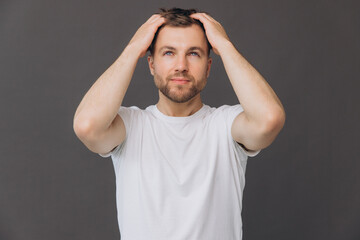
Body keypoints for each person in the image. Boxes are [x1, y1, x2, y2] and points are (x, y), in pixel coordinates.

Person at [73, 7, 285, 240]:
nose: (181, 65)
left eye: (193, 53)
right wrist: (133, 49)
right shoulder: (131, 126)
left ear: (208, 66)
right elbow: (87, 126)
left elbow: (269, 119)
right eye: (168, 53)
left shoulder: (225, 126)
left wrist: (225, 45)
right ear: (151, 63)